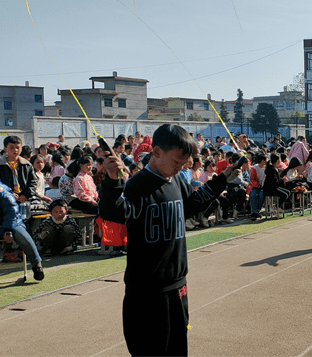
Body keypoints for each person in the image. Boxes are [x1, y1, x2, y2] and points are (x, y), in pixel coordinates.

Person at [100, 124, 240, 356]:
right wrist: (113, 179)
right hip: (147, 294)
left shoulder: (175, 181)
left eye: (184, 163)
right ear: (156, 152)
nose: (180, 168)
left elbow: (193, 203)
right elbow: (115, 213)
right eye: (177, 162)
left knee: (178, 349)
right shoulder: (138, 185)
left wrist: (222, 179)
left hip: (178, 287)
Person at [0, 163, 45, 287]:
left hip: (11, 223)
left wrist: (8, 230)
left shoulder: (1, 192)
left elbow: (11, 211)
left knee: (21, 235)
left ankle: (37, 264)